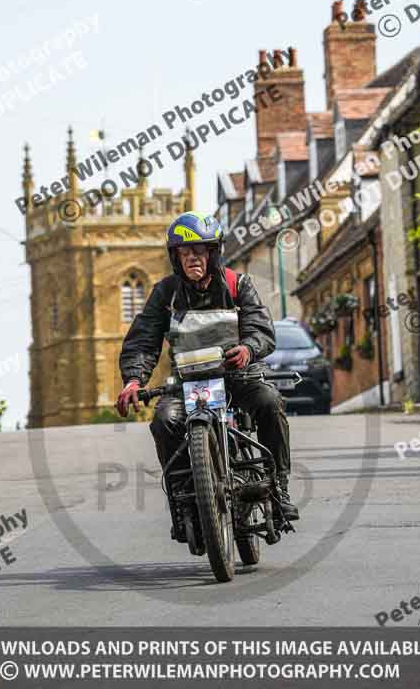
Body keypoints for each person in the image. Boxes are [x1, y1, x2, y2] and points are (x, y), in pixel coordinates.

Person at [117, 212, 298, 521]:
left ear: (213, 253)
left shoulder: (237, 284)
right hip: (187, 383)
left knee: (270, 402)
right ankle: (184, 501)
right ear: (175, 258)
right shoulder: (165, 293)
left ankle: (278, 487)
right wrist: (134, 380)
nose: (192, 259)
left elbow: (260, 328)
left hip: (238, 378)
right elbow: (143, 339)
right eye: (184, 253)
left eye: (199, 251)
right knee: (163, 420)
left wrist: (247, 349)